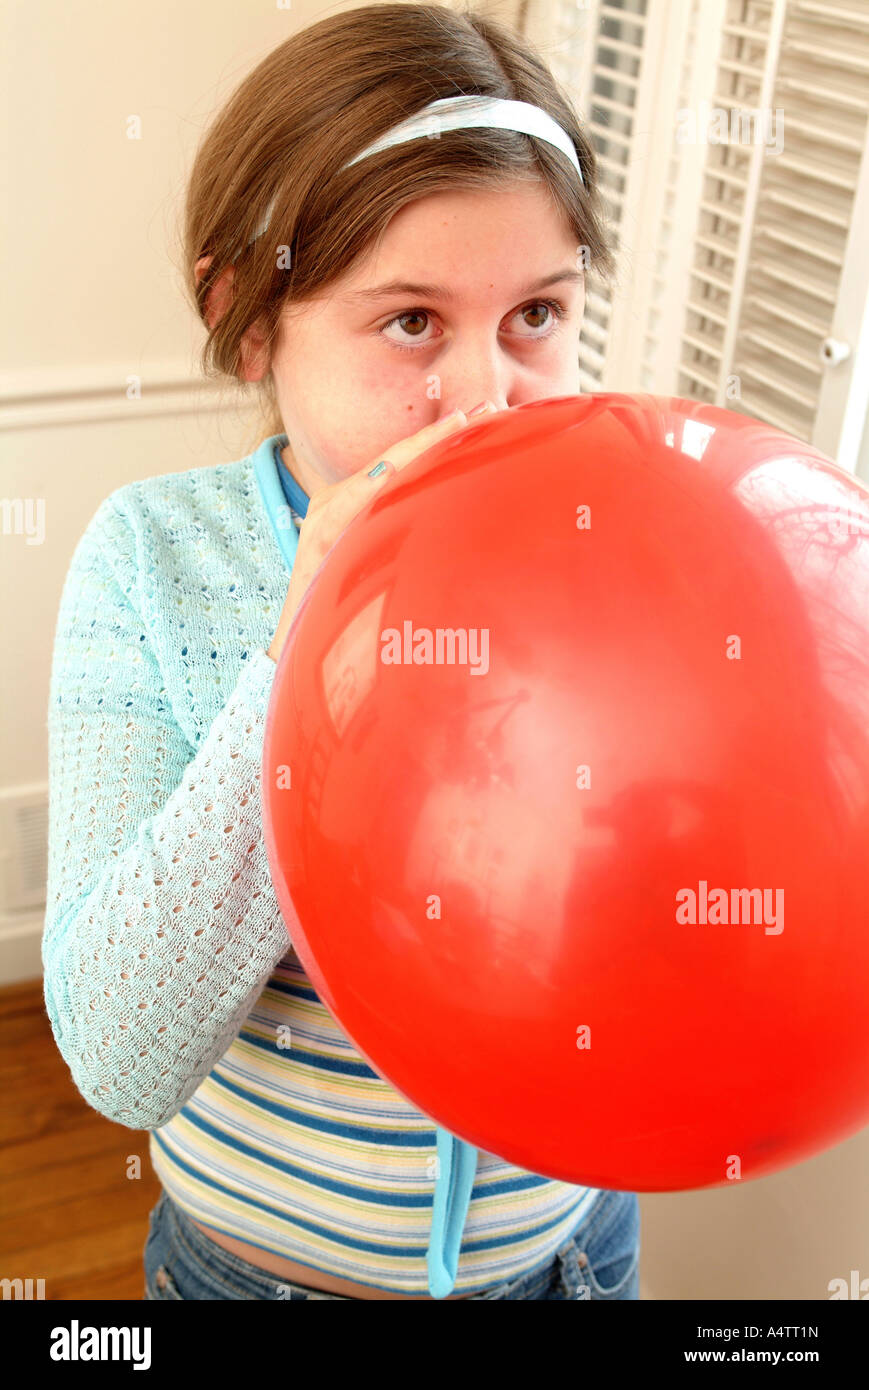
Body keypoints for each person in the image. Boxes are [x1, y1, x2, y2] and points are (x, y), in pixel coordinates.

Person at [42, 2, 640, 1301]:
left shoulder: (626, 554)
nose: (487, 394)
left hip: (569, 1261)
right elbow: (117, 1053)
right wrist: (310, 650)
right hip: (249, 1278)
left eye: (537, 312)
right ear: (248, 319)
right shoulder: (152, 564)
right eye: (411, 322)